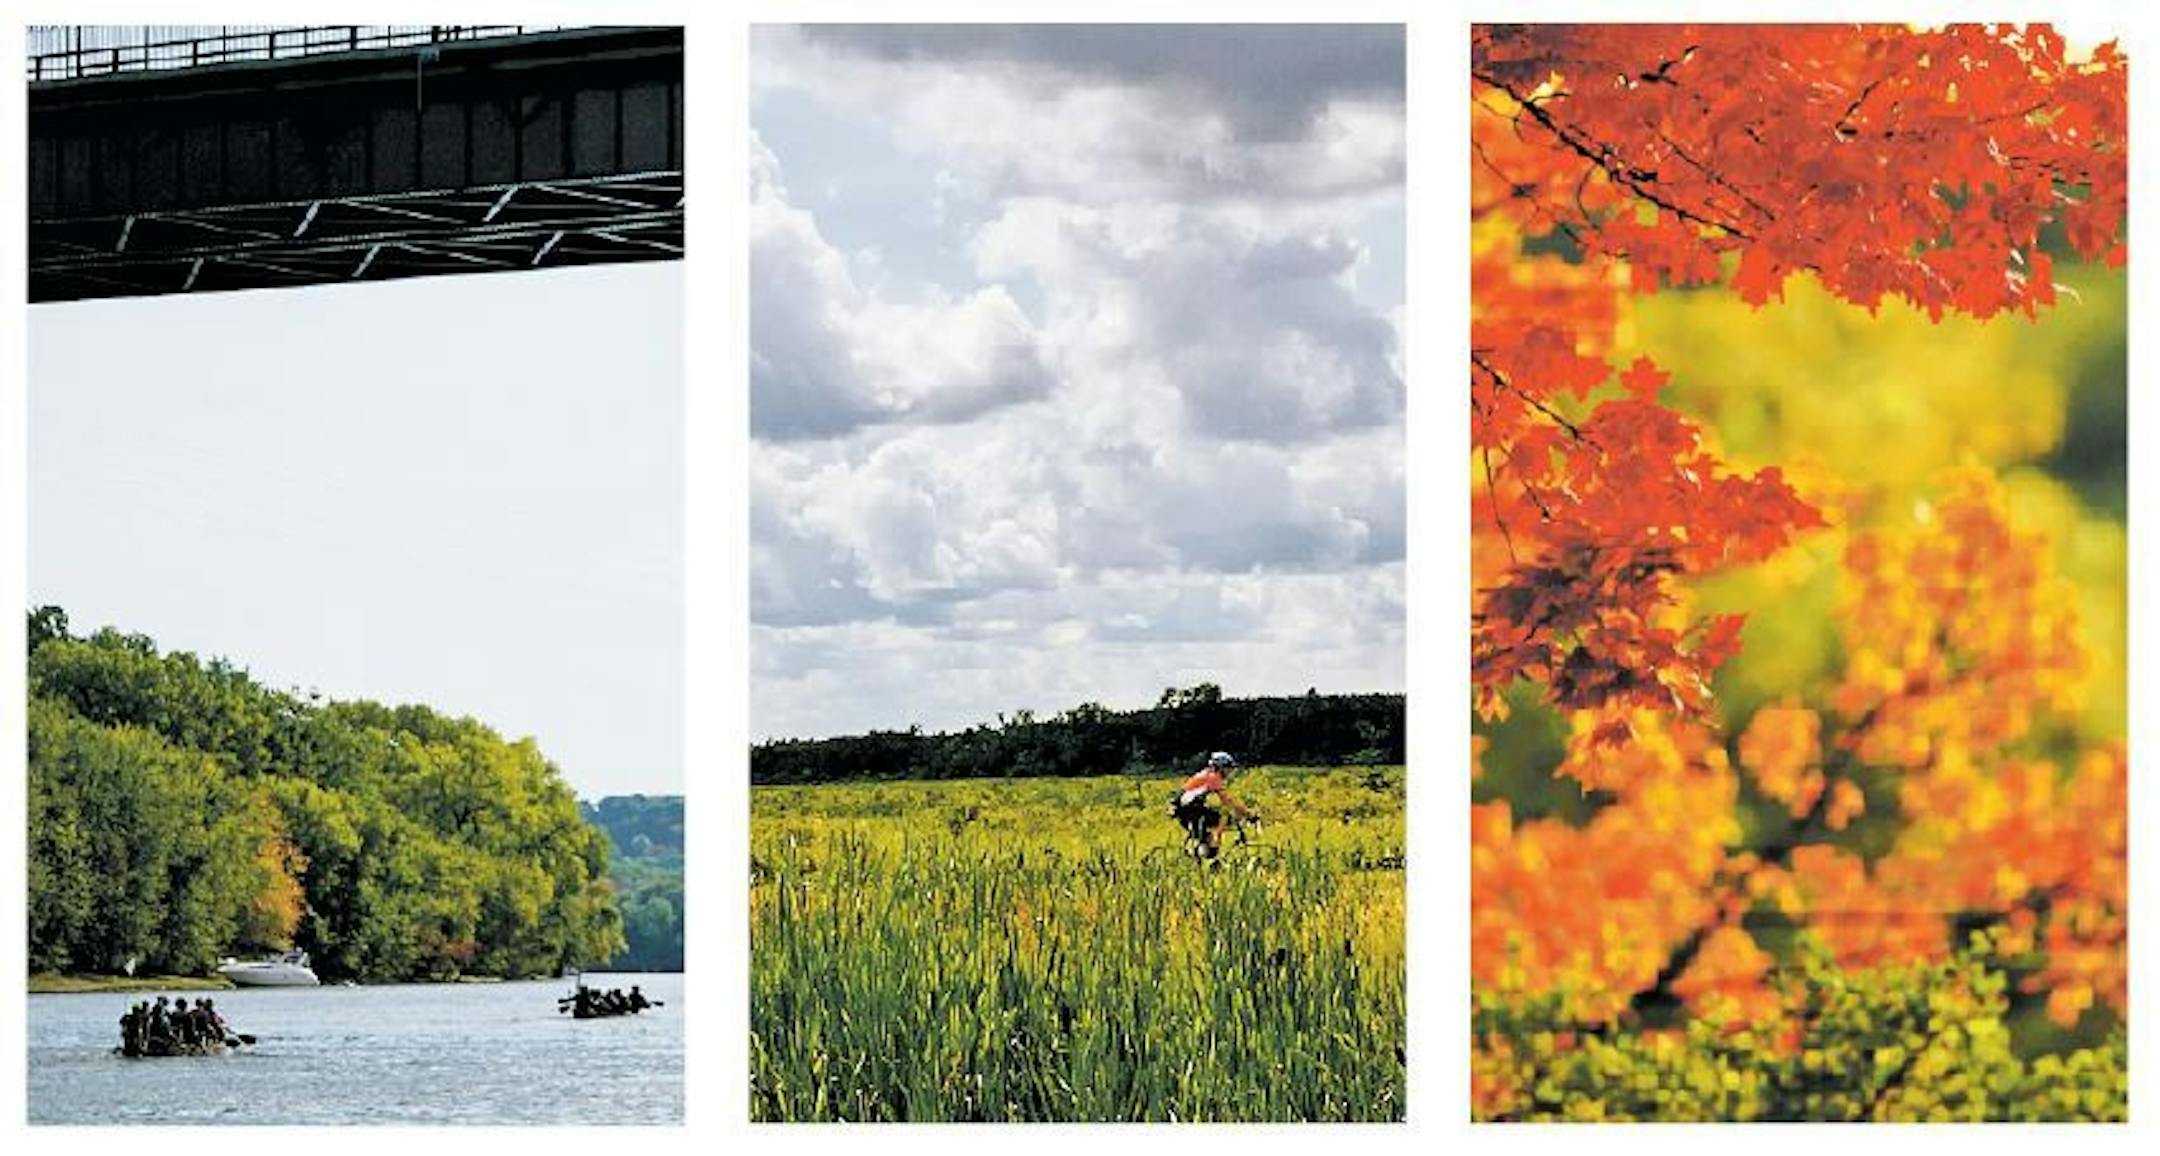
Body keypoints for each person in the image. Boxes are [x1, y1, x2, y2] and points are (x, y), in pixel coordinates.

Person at [1169, 751, 1255, 860]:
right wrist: (1248, 814)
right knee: (1224, 817)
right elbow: (1228, 801)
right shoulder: (1213, 777)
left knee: (1211, 830)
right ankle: (1214, 845)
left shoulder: (1207, 773)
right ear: (1221, 768)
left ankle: (1207, 853)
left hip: (1186, 810)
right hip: (1189, 811)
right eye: (1228, 768)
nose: (1230, 771)